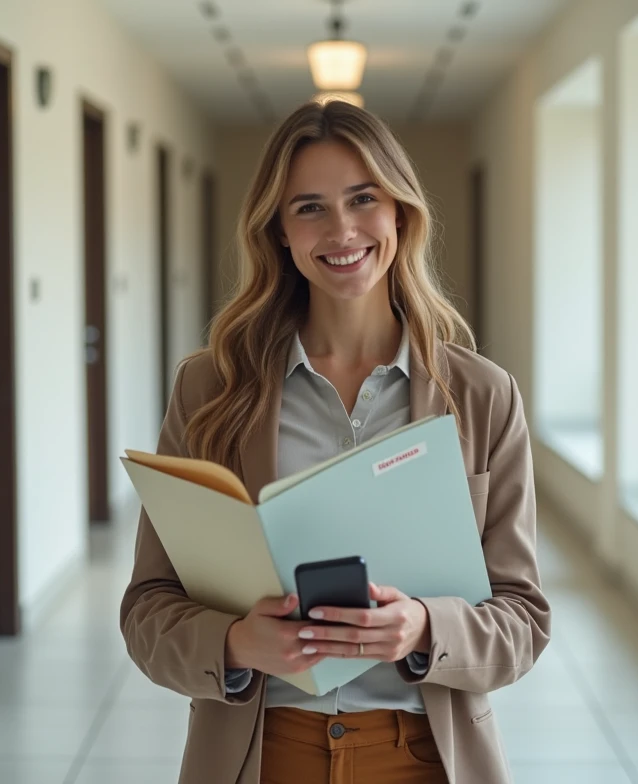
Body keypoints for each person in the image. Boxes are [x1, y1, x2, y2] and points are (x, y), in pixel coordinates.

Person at [120, 99, 550, 784]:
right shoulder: (210, 391)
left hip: (425, 757)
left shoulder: (484, 394)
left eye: (363, 199)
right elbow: (147, 609)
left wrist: (424, 628)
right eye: (310, 207)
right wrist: (235, 644)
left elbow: (523, 620)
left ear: (401, 213)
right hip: (262, 755)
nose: (343, 229)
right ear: (279, 233)